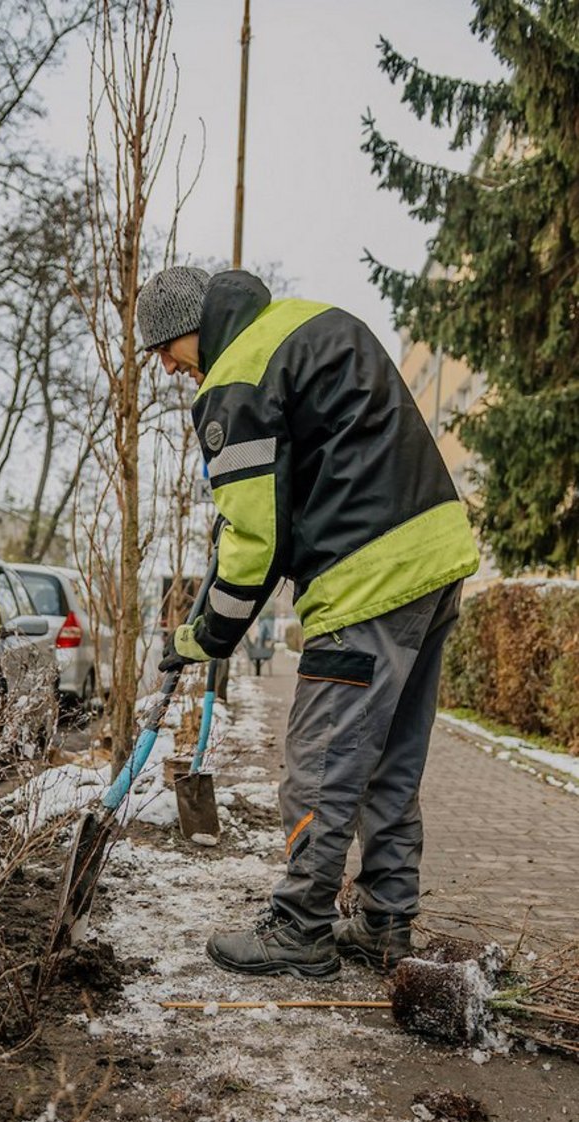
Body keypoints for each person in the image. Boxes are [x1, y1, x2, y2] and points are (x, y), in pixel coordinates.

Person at [137, 265, 479, 980]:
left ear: (184, 329)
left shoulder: (235, 379)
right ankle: (385, 924)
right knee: (387, 761)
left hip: (366, 575)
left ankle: (299, 925)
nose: (168, 368)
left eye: (165, 350)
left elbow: (255, 544)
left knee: (320, 763)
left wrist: (200, 638)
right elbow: (280, 505)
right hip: (434, 555)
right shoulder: (305, 322)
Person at [244, 602, 276, 676]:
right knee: (261, 638)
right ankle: (259, 651)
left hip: (268, 618)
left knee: (267, 637)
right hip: (263, 618)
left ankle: (260, 651)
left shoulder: (270, 600)